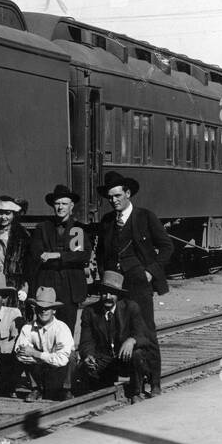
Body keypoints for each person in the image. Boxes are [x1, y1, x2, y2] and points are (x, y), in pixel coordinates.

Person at [94, 171, 173, 334]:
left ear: (128, 193)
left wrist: (150, 272)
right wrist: (104, 275)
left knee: (144, 329)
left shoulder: (145, 217)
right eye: (110, 197)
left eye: (117, 196)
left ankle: (149, 359)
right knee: (116, 329)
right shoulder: (107, 221)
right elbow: (101, 252)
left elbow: (167, 247)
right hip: (113, 286)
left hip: (139, 283)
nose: (113, 201)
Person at [76, 271, 160, 401]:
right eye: (104, 293)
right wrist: (88, 356)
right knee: (84, 367)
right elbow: (86, 341)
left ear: (118, 295)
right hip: (104, 359)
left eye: (112, 293)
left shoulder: (131, 308)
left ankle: (135, 392)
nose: (108, 297)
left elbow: (144, 336)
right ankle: (101, 389)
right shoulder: (90, 312)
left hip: (124, 359)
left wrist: (132, 340)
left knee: (137, 354)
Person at [26, 184, 90, 333]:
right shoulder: (42, 228)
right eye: (57, 203)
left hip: (70, 286)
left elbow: (80, 256)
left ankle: (66, 356)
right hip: (47, 282)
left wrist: (57, 255)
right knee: (45, 327)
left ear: (71, 206)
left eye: (64, 204)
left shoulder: (76, 229)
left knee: (67, 328)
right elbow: (37, 253)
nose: (60, 207)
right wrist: (65, 256)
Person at [12, 286, 75, 401]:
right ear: (35, 309)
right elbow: (21, 356)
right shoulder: (27, 328)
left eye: (48, 308)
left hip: (58, 372)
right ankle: (36, 389)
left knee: (71, 356)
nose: (44, 311)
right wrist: (49, 355)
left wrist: (35, 353)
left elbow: (62, 360)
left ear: (54, 310)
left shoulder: (62, 328)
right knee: (25, 360)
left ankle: (66, 390)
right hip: (39, 371)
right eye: (40, 307)